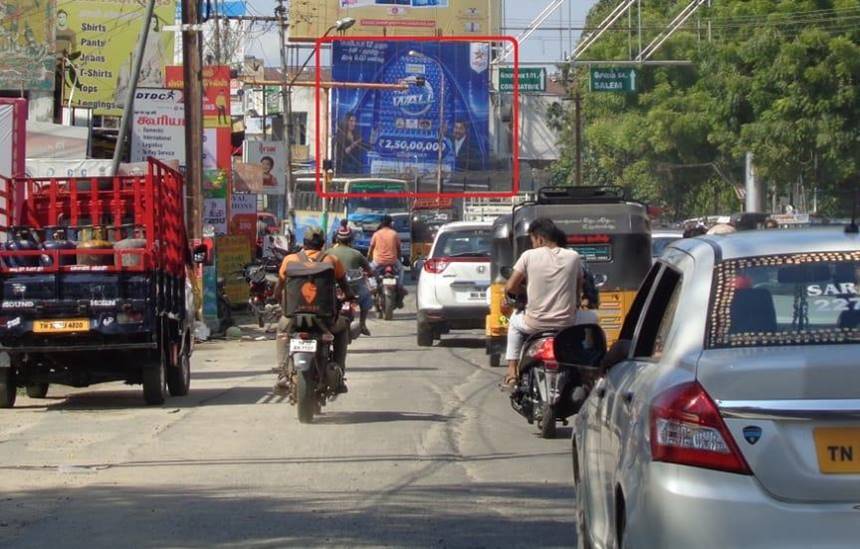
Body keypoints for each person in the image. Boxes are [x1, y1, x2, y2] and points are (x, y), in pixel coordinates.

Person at [502, 218, 586, 387]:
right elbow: (578, 290)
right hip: (566, 324)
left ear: (539, 238)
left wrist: (523, 292)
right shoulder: (574, 257)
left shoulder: (528, 256)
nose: (533, 244)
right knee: (593, 320)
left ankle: (511, 371)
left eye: (532, 240)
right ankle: (590, 370)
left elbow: (510, 286)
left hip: (534, 324)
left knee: (513, 323)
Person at [273, 227, 355, 394]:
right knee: (342, 329)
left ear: (303, 244)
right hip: (325, 320)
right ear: (323, 244)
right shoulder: (331, 260)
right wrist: (349, 296)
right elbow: (346, 288)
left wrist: (278, 300)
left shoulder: (289, 260)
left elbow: (278, 289)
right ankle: (339, 370)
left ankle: (282, 374)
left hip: (293, 318)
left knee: (282, 331)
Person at [327, 220, 373, 336]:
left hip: (332, 288)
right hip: (352, 288)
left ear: (336, 239)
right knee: (366, 297)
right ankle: (362, 323)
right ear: (351, 239)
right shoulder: (356, 253)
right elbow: (369, 270)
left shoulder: (327, 253)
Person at [368, 214, 404, 288]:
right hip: (392, 261)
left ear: (381, 223)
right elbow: (399, 250)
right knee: (401, 270)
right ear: (390, 223)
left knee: (368, 271)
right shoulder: (394, 234)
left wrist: (368, 258)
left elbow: (370, 249)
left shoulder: (376, 234)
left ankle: (373, 287)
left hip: (378, 262)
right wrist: (399, 260)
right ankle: (400, 286)